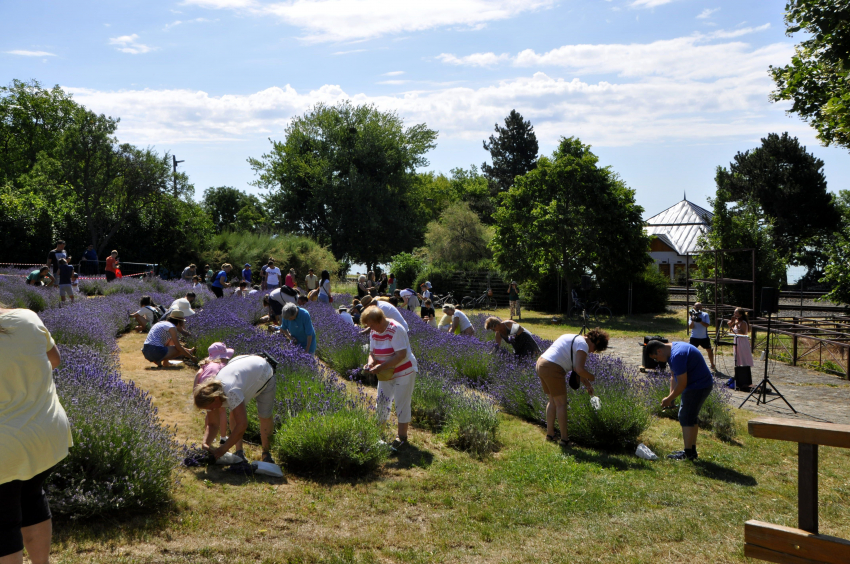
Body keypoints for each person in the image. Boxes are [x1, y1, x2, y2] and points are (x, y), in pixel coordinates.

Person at [0, 304, 72, 564]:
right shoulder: (27, 318)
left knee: (4, 522)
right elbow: (55, 360)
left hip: (5, 447)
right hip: (46, 432)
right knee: (31, 497)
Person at [193, 354, 277, 464]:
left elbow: (242, 424)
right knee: (235, 412)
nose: (212, 409)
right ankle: (239, 452)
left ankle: (266, 454)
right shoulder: (211, 395)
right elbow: (213, 424)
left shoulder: (231, 391)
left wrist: (223, 449)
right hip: (242, 368)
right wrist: (205, 443)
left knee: (264, 415)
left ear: (216, 398)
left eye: (211, 407)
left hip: (263, 371)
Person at [537, 329, 609, 446]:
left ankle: (550, 434)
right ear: (595, 342)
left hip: (541, 364)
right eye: (595, 349)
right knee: (561, 404)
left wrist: (587, 385)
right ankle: (565, 440)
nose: (592, 352)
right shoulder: (583, 345)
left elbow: (576, 369)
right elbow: (580, 369)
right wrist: (592, 377)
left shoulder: (572, 337)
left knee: (552, 402)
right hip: (552, 368)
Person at [361, 305, 418, 451]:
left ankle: (402, 437)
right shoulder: (374, 331)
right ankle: (378, 434)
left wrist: (380, 367)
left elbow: (401, 355)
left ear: (380, 320)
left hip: (403, 371)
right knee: (382, 401)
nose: (370, 328)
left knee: (401, 403)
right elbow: (372, 352)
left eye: (371, 324)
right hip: (385, 373)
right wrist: (370, 363)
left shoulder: (395, 329)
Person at [646, 339, 715, 460]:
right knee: (690, 416)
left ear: (659, 351)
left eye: (656, 358)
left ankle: (688, 454)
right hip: (698, 384)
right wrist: (670, 396)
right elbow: (674, 376)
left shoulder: (677, 355)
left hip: (698, 386)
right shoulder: (672, 350)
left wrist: (668, 399)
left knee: (685, 416)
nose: (657, 362)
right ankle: (691, 451)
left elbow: (682, 384)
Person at [193, 342, 235, 447]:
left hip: (203, 388)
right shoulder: (222, 365)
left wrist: (195, 390)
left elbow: (198, 374)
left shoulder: (206, 364)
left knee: (210, 412)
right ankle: (223, 438)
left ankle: (208, 438)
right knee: (222, 412)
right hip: (215, 389)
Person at [688, 302, 716, 371]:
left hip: (704, 337)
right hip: (694, 337)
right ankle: (690, 365)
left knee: (709, 350)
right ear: (694, 307)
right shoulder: (691, 315)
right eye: (696, 306)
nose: (698, 308)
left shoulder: (705, 314)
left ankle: (712, 364)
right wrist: (693, 320)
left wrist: (700, 321)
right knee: (691, 351)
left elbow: (707, 325)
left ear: (702, 307)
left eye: (699, 306)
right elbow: (691, 327)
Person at [727, 307, 754, 376]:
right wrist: (730, 326)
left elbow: (742, 333)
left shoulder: (743, 323)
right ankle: (738, 373)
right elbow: (735, 332)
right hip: (736, 340)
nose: (734, 314)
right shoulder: (737, 322)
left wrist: (736, 325)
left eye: (736, 312)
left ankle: (745, 374)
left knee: (743, 357)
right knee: (737, 357)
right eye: (734, 312)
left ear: (740, 314)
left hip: (742, 342)